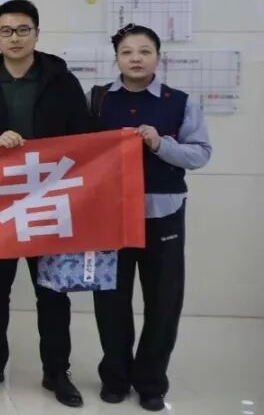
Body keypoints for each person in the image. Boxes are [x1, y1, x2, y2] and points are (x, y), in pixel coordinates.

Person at [0, 0, 91, 408]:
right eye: (5, 31)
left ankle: (57, 373)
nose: (14, 38)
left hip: (48, 201)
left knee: (52, 292)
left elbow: (84, 136)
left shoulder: (61, 80)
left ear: (37, 33)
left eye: (22, 30)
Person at [91, 24, 211, 412]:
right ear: (117, 58)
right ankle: (115, 378)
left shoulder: (180, 102)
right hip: (110, 215)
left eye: (145, 51)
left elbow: (200, 153)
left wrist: (161, 144)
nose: (136, 59)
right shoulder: (98, 100)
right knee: (111, 301)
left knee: (163, 301)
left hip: (163, 213)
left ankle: (151, 383)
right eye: (127, 52)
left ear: (158, 56)